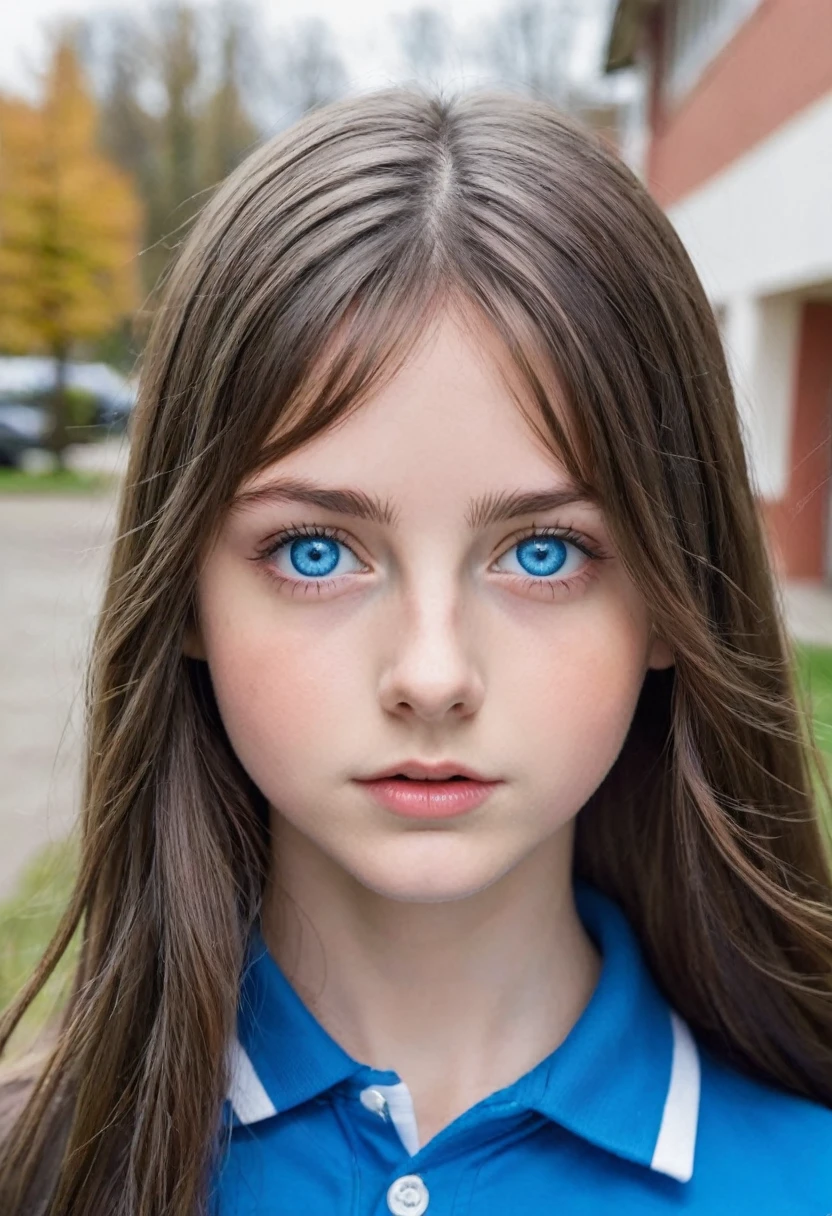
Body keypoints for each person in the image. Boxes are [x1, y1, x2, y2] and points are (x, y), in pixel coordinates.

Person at [1, 87, 831, 1216]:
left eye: (542, 553)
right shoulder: (33, 1171)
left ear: (672, 600)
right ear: (184, 591)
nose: (432, 676)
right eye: (312, 551)